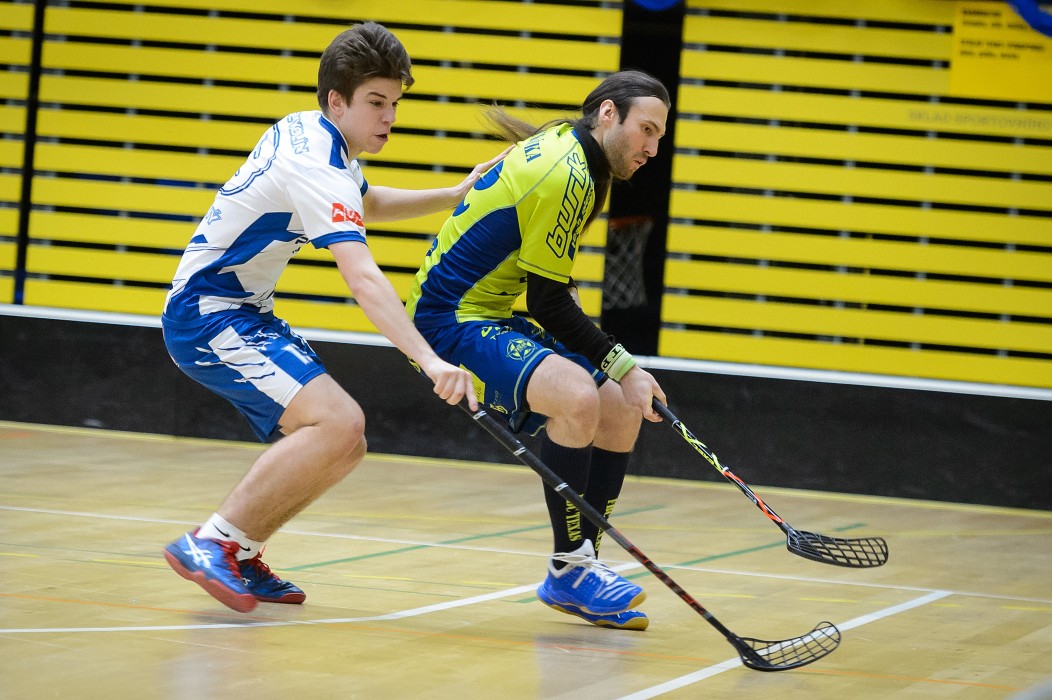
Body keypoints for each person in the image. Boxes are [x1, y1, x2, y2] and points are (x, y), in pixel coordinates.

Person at [160, 22, 506, 613]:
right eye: (377, 103)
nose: (389, 116)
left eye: (394, 103)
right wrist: (429, 360)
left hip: (244, 313)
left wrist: (451, 194)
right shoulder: (316, 164)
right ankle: (212, 542)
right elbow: (362, 276)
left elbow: (364, 201)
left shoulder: (314, 136)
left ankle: (240, 548)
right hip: (208, 314)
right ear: (337, 100)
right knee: (339, 424)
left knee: (347, 442)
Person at [406, 70, 672, 630]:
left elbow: (552, 287)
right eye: (645, 130)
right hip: (448, 318)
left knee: (622, 409)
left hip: (497, 311)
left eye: (659, 136)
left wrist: (621, 376)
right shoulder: (567, 172)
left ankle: (579, 568)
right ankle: (572, 567)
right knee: (580, 396)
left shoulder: (585, 168)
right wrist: (624, 364)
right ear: (607, 115)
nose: (652, 148)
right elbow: (550, 303)